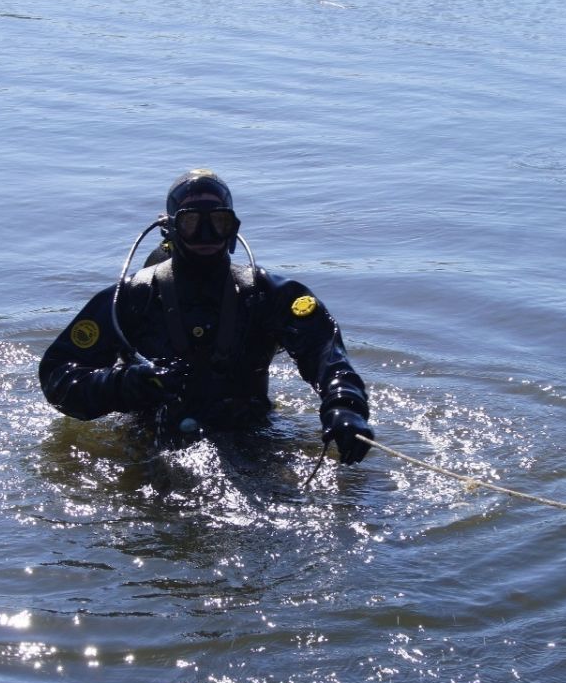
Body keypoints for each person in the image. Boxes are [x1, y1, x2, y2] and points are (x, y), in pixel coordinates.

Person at [38, 169, 373, 464]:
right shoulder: (131, 299)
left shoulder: (269, 295)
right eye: (191, 222)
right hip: (150, 447)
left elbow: (327, 356)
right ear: (171, 228)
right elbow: (58, 376)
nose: (206, 235)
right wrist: (124, 384)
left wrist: (345, 406)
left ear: (233, 228)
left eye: (218, 222)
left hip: (253, 439)